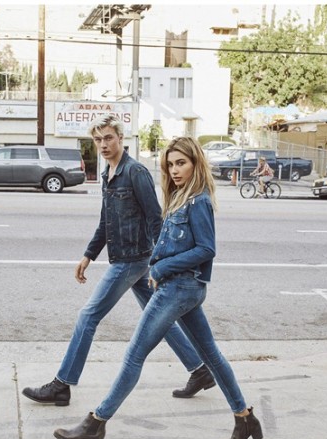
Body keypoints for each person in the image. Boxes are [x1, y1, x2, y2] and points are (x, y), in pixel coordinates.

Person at [54, 137, 263, 439]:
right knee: (211, 357)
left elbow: (206, 249)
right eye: (170, 164)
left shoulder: (198, 201)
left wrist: (162, 267)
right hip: (181, 289)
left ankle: (96, 423)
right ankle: (244, 418)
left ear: (196, 163)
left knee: (134, 356)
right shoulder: (180, 196)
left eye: (181, 163)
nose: (174, 170)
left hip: (179, 289)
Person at [22, 115, 214, 407]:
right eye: (98, 139)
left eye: (108, 138)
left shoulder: (135, 172)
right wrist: (89, 255)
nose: (103, 144)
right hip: (130, 259)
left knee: (88, 316)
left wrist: (163, 264)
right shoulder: (107, 173)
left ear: (121, 138)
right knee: (160, 317)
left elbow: (156, 219)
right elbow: (106, 220)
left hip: (134, 260)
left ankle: (62, 384)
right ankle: (199, 370)